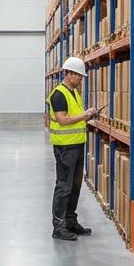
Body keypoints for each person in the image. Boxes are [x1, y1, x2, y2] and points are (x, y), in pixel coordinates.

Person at [47, 56, 102, 241]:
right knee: (64, 186)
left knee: (75, 186)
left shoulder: (74, 93)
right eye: (79, 76)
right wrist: (84, 115)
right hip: (65, 148)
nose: (81, 80)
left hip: (77, 145)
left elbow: (75, 116)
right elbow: (62, 120)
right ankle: (58, 227)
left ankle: (70, 221)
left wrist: (88, 115)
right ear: (69, 74)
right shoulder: (58, 94)